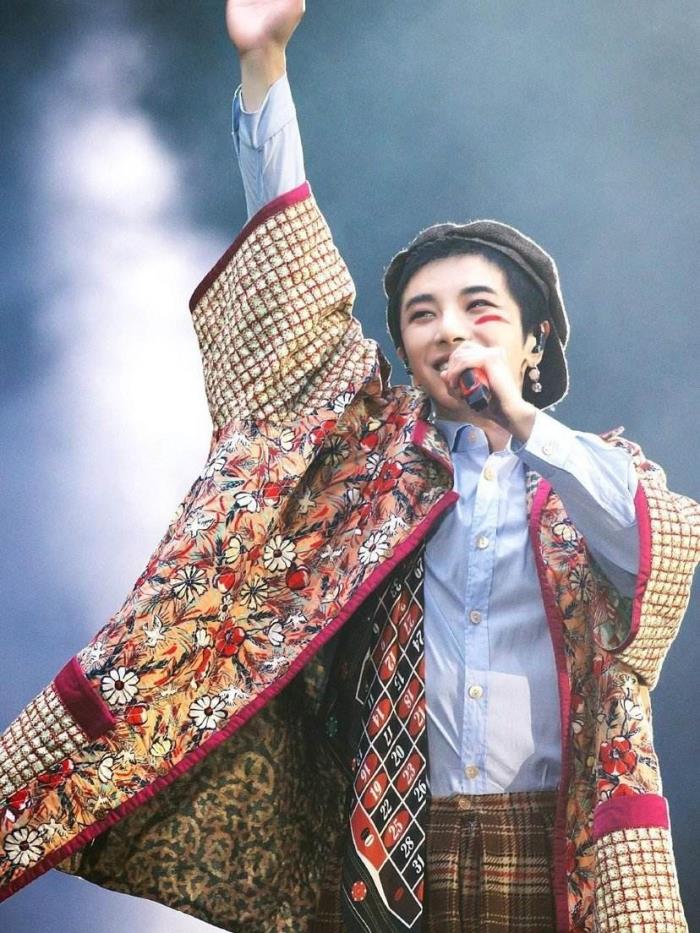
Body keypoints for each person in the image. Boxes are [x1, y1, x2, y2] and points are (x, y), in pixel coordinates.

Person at [0, 2, 697, 931]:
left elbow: (653, 555)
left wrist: (523, 419)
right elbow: (297, 295)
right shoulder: (371, 463)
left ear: (535, 340)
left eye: (479, 308)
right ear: (404, 350)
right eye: (422, 314)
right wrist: (263, 65)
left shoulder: (592, 479)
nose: (449, 329)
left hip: (552, 853)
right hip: (389, 854)